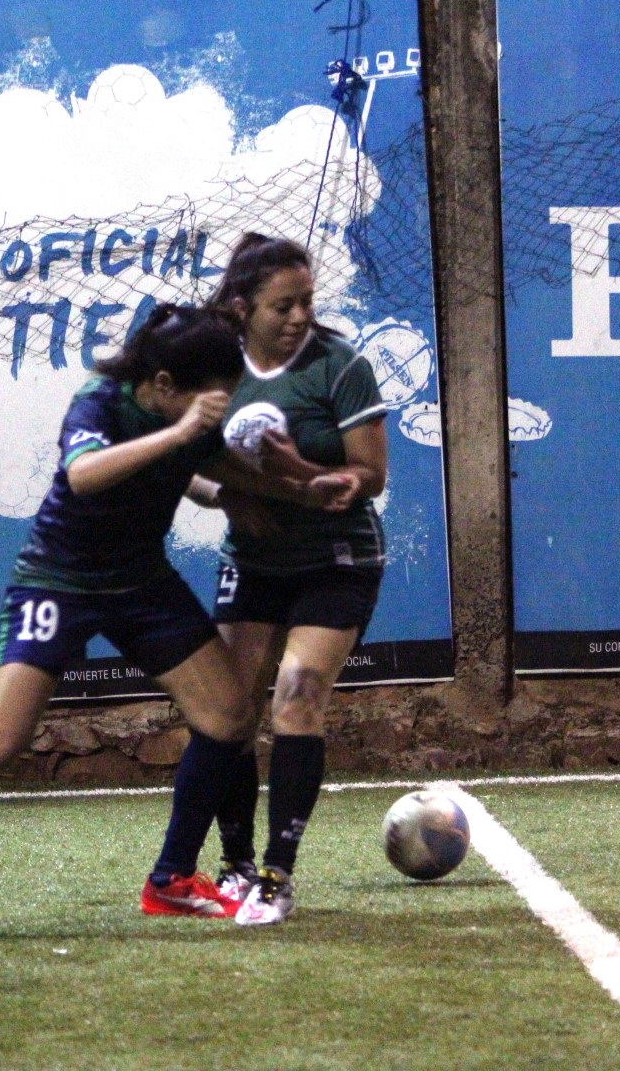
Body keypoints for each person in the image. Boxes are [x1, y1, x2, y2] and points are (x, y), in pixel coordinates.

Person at [0, 304, 350, 944]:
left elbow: (213, 469)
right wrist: (183, 433)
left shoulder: (187, 417)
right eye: (209, 399)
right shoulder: (99, 402)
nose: (219, 409)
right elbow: (84, 475)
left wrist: (299, 489)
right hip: (57, 581)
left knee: (229, 716)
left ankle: (171, 878)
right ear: (162, 383)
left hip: (141, 583)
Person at [203, 234, 389, 926]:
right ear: (242, 307)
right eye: (283, 305)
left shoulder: (340, 367)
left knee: (298, 697)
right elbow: (189, 467)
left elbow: (370, 475)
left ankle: (277, 876)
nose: (299, 316)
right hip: (252, 561)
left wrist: (315, 479)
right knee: (228, 711)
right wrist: (233, 497)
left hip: (336, 558)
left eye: (307, 301)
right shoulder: (213, 369)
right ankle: (235, 863)